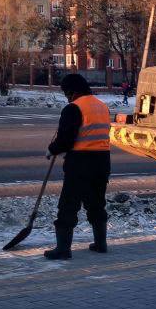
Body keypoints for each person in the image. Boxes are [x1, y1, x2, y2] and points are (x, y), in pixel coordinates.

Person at [44, 73, 111, 260]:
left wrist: (52, 150)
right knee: (96, 203)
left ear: (72, 91)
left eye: (66, 93)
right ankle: (100, 244)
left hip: (80, 163)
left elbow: (65, 139)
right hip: (102, 162)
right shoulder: (102, 106)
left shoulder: (73, 108)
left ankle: (63, 249)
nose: (66, 97)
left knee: (68, 205)